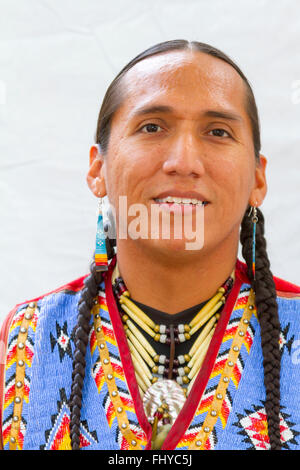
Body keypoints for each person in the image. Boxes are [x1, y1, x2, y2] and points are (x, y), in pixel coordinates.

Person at [1, 39, 299, 451]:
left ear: (258, 179)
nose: (183, 161)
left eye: (217, 132)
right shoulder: (24, 343)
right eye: (152, 127)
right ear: (97, 169)